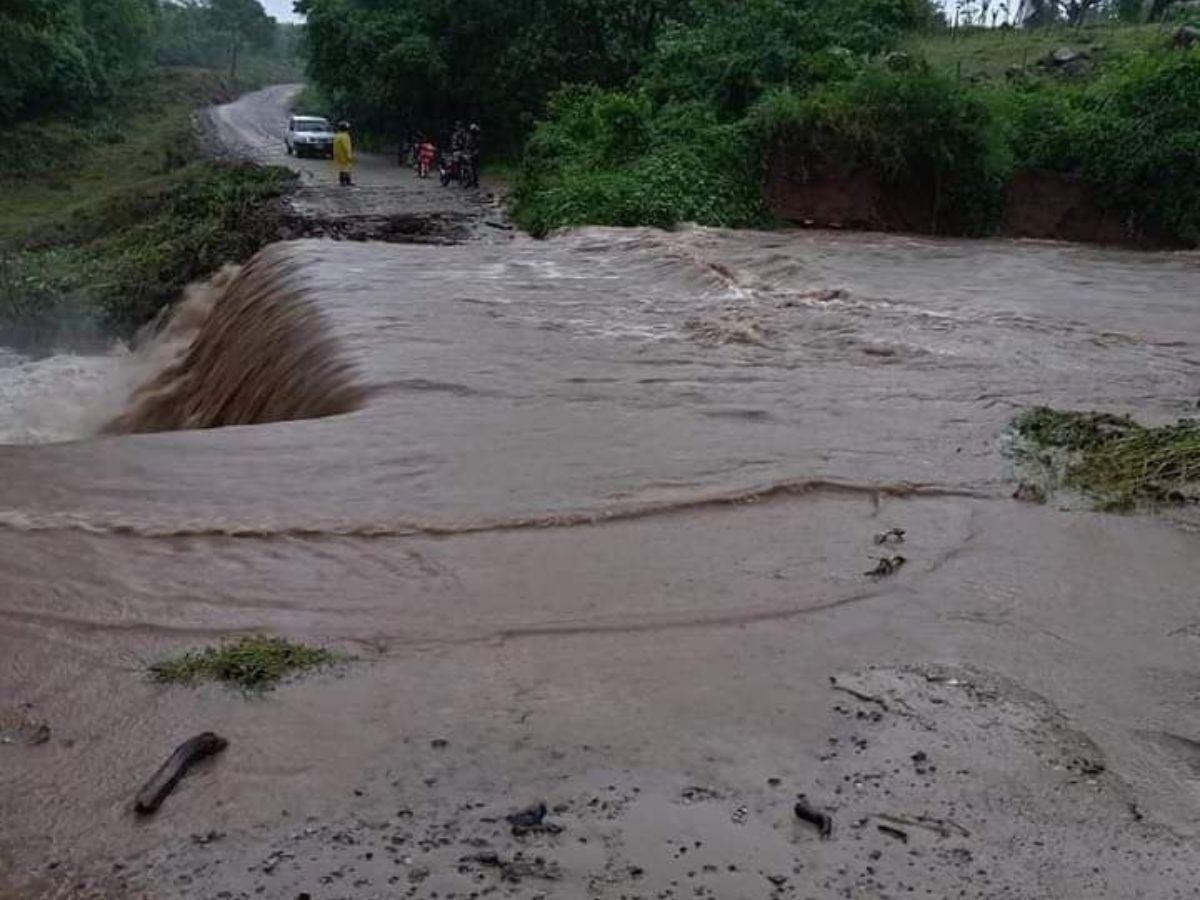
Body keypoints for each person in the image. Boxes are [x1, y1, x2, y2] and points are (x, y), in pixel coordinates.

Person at [333, 121, 354, 186]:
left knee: (342, 169)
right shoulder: (345, 136)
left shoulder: (337, 135)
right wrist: (349, 155)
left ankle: (343, 181)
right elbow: (346, 147)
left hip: (338, 155)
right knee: (346, 169)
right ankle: (346, 181)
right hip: (344, 155)